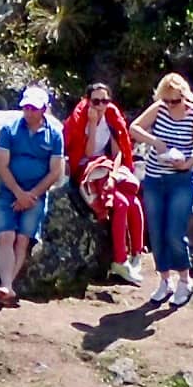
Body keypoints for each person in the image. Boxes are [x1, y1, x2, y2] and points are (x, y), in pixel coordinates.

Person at [131, 74, 193, 313]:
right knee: (156, 231)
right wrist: (154, 141)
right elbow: (134, 128)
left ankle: (185, 280)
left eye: (174, 101)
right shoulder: (159, 108)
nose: (170, 105)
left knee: (175, 231)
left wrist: (186, 164)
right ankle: (165, 279)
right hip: (155, 178)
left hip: (181, 180)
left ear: (184, 97)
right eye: (166, 101)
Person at [0, 85, 66, 310]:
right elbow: (2, 164)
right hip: (10, 192)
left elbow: (55, 171)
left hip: (36, 196)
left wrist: (31, 195)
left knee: (22, 240)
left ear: (43, 109)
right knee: (5, 236)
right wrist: (18, 193)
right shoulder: (9, 129)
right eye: (26, 107)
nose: (29, 112)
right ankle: (6, 286)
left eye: (33, 108)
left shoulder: (55, 134)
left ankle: (7, 285)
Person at [64, 82, 146, 280]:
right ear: (88, 100)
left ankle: (136, 254)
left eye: (105, 101)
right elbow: (88, 152)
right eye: (96, 101)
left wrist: (114, 173)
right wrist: (92, 124)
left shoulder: (112, 115)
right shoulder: (81, 117)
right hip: (87, 169)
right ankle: (119, 260)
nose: (101, 105)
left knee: (134, 202)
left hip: (107, 168)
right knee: (121, 203)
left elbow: (119, 152)